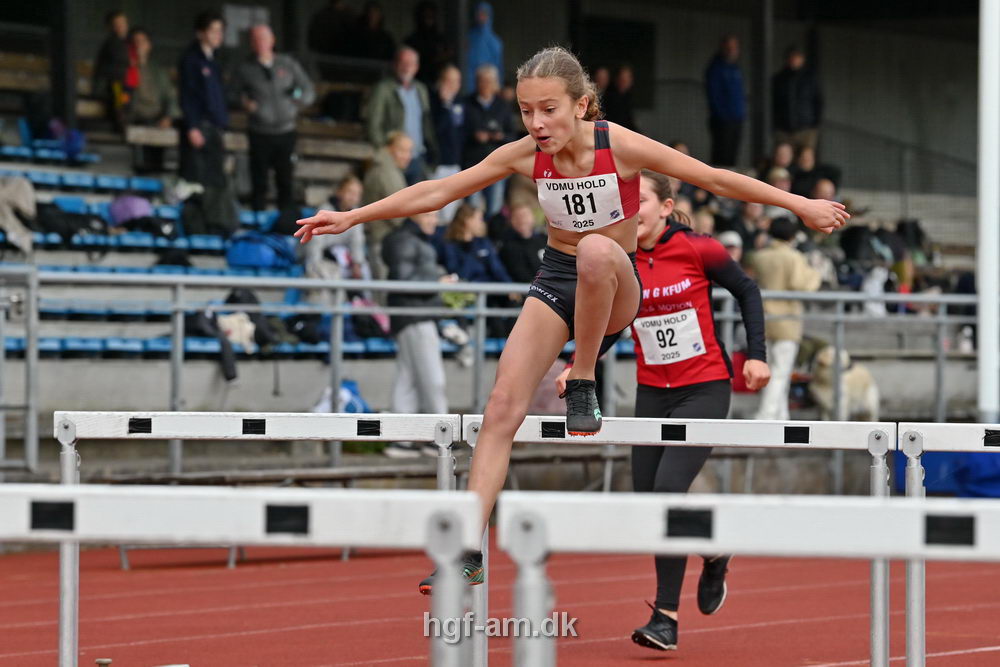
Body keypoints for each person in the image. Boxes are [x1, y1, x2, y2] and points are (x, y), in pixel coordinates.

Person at [295, 45, 846, 592]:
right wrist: (353, 216)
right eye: (525, 111)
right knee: (501, 405)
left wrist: (798, 204)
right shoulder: (522, 154)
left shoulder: (619, 145)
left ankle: (583, 375)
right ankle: (467, 550)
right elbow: (440, 190)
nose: (536, 124)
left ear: (581, 106)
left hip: (616, 280)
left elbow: (713, 178)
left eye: (548, 109)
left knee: (595, 250)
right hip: (558, 279)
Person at [556, 170, 770, 652]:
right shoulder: (621, 256)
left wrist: (756, 355)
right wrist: (579, 365)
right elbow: (612, 321)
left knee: (669, 492)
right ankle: (714, 551)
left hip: (704, 388)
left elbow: (748, 290)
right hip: (652, 392)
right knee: (650, 504)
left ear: (666, 208)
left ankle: (665, 618)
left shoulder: (699, 248)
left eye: (643, 200)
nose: (633, 209)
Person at [381, 209, 456, 458]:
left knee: (408, 379)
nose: (435, 220)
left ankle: (401, 441)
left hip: (414, 315)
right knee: (433, 378)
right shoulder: (405, 240)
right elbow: (403, 280)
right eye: (430, 216)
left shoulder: (410, 239)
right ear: (416, 216)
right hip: (415, 316)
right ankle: (440, 440)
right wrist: (437, 281)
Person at [231, 24, 315, 212]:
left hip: (286, 130)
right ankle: (258, 218)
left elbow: (308, 90)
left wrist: (296, 102)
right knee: (259, 180)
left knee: (285, 179)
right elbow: (231, 94)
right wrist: (245, 103)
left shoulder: (287, 64)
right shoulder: (245, 69)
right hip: (259, 131)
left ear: (272, 40)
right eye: (256, 39)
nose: (261, 42)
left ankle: (286, 220)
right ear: (252, 43)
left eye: (264, 38)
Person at [752, 217, 822, 420]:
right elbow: (801, 285)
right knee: (781, 372)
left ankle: (781, 416)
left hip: (764, 317)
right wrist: (816, 273)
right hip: (787, 321)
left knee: (771, 370)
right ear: (792, 236)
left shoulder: (760, 256)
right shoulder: (794, 257)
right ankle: (766, 415)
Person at [366, 47, 438, 184]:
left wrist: (432, 151)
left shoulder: (421, 90)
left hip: (416, 156)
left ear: (416, 67)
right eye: (403, 63)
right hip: (394, 156)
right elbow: (373, 122)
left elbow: (426, 123)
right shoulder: (384, 89)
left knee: (416, 197)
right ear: (395, 65)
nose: (406, 67)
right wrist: (383, 150)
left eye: (411, 64)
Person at [178, 11, 228, 189]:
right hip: (200, 126)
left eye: (220, 31)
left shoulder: (215, 61)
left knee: (215, 178)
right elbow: (187, 94)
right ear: (200, 33)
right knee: (196, 178)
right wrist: (192, 126)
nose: (218, 35)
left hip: (215, 125)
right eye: (213, 31)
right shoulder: (190, 59)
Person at [125, 27, 179, 173]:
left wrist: (168, 117)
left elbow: (171, 96)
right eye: (135, 42)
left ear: (149, 45)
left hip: (157, 119)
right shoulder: (126, 69)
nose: (138, 46)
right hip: (135, 119)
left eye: (142, 42)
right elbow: (122, 99)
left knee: (157, 159)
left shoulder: (158, 70)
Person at [462, 64, 512, 217]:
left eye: (489, 81)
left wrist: (501, 137)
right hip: (472, 164)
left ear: (495, 83)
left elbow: (512, 135)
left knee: (494, 209)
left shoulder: (502, 105)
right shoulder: (466, 103)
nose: (485, 85)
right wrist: (474, 136)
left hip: (497, 166)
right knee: (472, 209)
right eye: (482, 81)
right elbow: (459, 132)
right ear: (476, 82)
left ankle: (492, 233)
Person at [362, 131, 414, 278]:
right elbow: (400, 209)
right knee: (384, 286)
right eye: (403, 151)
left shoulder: (386, 168)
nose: (408, 156)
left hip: (383, 238)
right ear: (390, 149)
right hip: (383, 240)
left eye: (409, 151)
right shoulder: (387, 172)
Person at [304, 175, 370, 282]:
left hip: (344, 258)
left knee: (365, 270)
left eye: (357, 194)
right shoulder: (325, 211)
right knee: (328, 273)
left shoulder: (356, 213)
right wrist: (315, 266)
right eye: (350, 192)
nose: (353, 197)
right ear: (339, 192)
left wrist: (357, 263)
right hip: (324, 257)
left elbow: (357, 241)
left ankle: (365, 294)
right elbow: (316, 243)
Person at [429, 64, 465, 223]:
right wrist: (444, 105)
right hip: (437, 164)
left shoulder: (460, 102)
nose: (453, 85)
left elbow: (462, 132)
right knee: (435, 209)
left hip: (455, 164)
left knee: (451, 211)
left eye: (456, 81)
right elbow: (436, 130)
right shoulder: (433, 101)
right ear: (441, 81)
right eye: (449, 81)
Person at [705, 35, 746, 166]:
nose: (732, 51)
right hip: (722, 121)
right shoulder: (716, 68)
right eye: (729, 48)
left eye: (734, 48)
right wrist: (722, 116)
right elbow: (714, 96)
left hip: (737, 119)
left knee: (732, 156)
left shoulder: (735, 68)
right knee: (721, 156)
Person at [772, 46, 822, 151]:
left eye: (797, 57)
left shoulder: (810, 78)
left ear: (802, 59)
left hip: (806, 128)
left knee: (806, 157)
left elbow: (818, 102)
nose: (794, 60)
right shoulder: (779, 79)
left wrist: (815, 124)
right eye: (791, 57)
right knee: (783, 156)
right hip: (784, 129)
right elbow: (774, 104)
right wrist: (776, 125)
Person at [92, 10, 131, 132]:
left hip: (120, 85)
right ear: (110, 27)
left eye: (122, 24)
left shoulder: (125, 43)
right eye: (116, 25)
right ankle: (121, 121)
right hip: (111, 86)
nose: (120, 27)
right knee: (119, 94)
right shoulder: (112, 43)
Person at [405, 1, 454, 86]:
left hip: (438, 82)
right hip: (417, 81)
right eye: (425, 16)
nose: (428, 19)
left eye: (431, 16)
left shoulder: (441, 39)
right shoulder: (411, 40)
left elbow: (448, 56)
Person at [499, 202, 546, 283]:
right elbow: (522, 276)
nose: (522, 220)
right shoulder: (508, 247)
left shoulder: (546, 240)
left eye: (525, 215)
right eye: (517, 217)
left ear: (533, 218)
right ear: (511, 221)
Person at [465, 2, 503, 92]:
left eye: (484, 14)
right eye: (479, 14)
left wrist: (498, 86)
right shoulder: (468, 38)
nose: (481, 17)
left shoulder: (495, 42)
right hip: (469, 84)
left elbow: (498, 66)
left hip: (487, 85)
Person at [602, 64, 638, 131]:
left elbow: (629, 121)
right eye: (622, 79)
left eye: (626, 80)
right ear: (616, 79)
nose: (624, 82)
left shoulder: (627, 97)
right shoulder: (610, 97)